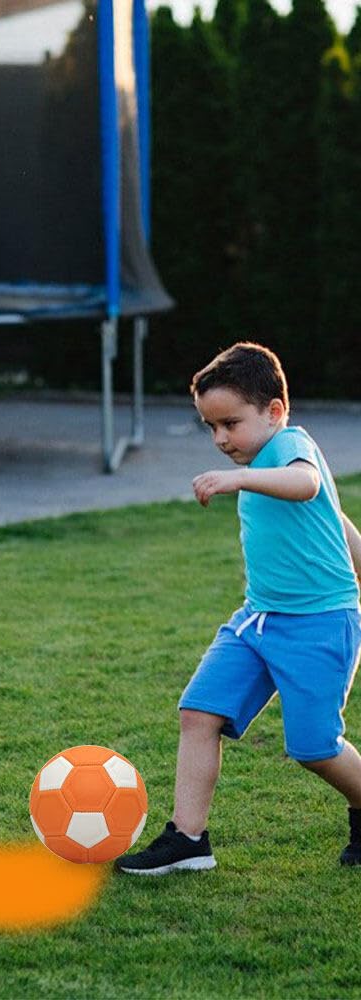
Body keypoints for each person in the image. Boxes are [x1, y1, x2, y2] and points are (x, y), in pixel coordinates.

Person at [116, 342, 361, 875]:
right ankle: (188, 840)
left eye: (230, 423)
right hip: (257, 619)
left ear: (274, 412)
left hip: (318, 624)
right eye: (211, 427)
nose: (221, 439)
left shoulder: (291, 447)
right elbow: (335, 520)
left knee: (315, 747)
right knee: (198, 712)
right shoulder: (260, 459)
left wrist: (238, 478)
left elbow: (308, 486)